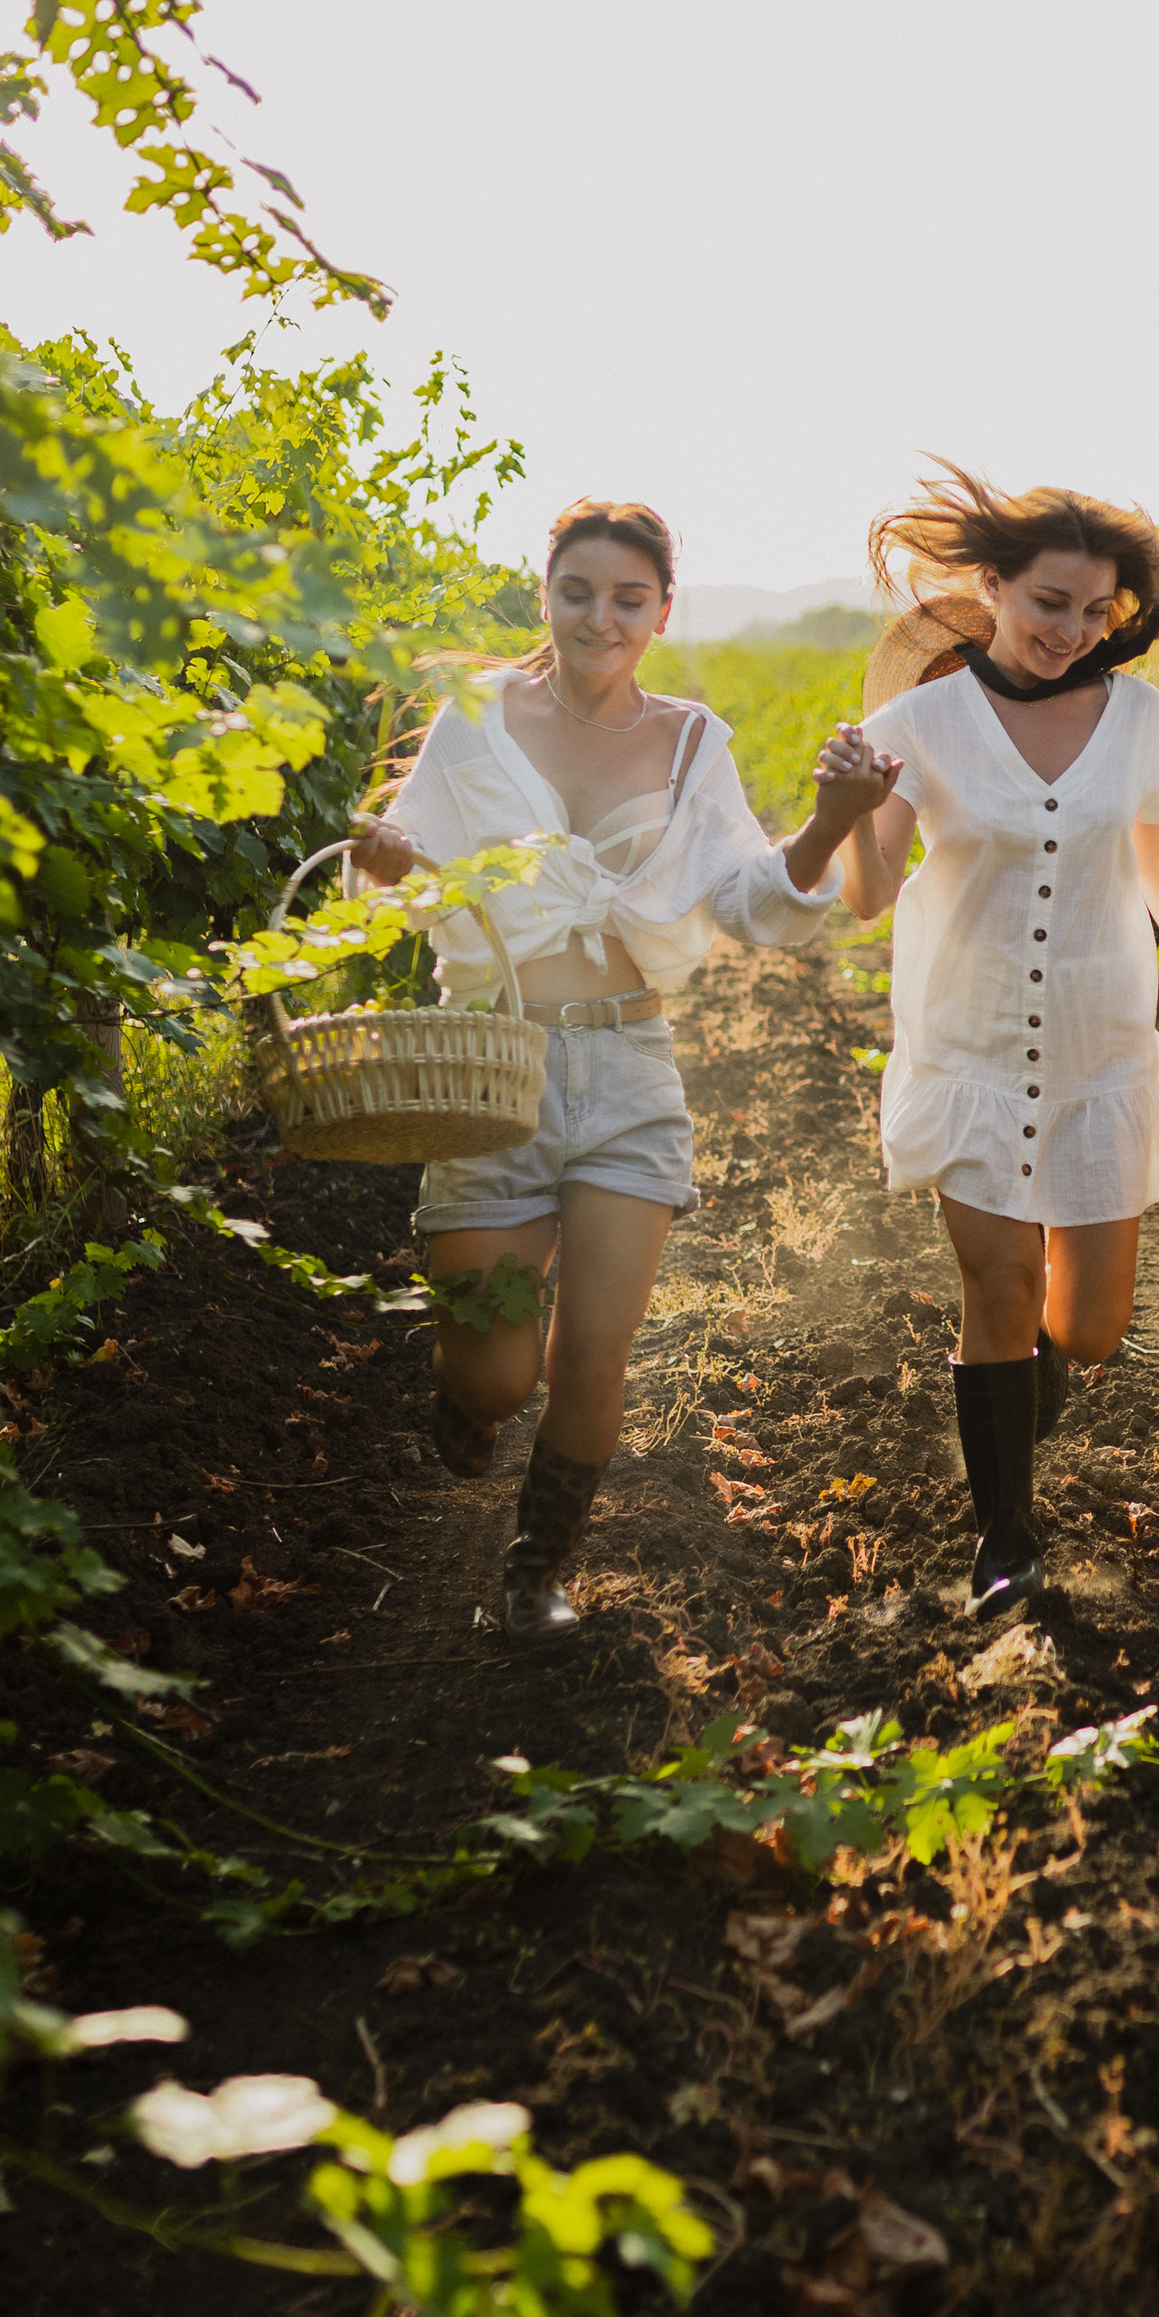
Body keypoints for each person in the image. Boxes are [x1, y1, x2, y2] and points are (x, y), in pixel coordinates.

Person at [349, 495, 891, 1638]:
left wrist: (834, 820)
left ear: (660, 611)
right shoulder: (476, 723)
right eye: (578, 592)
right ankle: (469, 1397)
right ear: (544, 592)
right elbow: (400, 880)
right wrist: (387, 860)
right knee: (497, 1376)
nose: (601, 618)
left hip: (630, 1070)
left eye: (627, 599)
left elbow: (750, 896)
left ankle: (537, 1571)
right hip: (486, 1072)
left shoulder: (693, 740)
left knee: (596, 1352)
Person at [832, 466, 1159, 1624]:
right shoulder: (914, 725)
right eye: (1049, 603)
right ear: (992, 585)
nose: (1072, 631)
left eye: (1095, 612)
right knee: (1001, 1287)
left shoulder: (1136, 717)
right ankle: (1006, 1537)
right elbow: (868, 892)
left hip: (1097, 1047)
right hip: (965, 1044)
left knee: (1092, 1326)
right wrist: (842, 808)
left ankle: (1019, 1392)